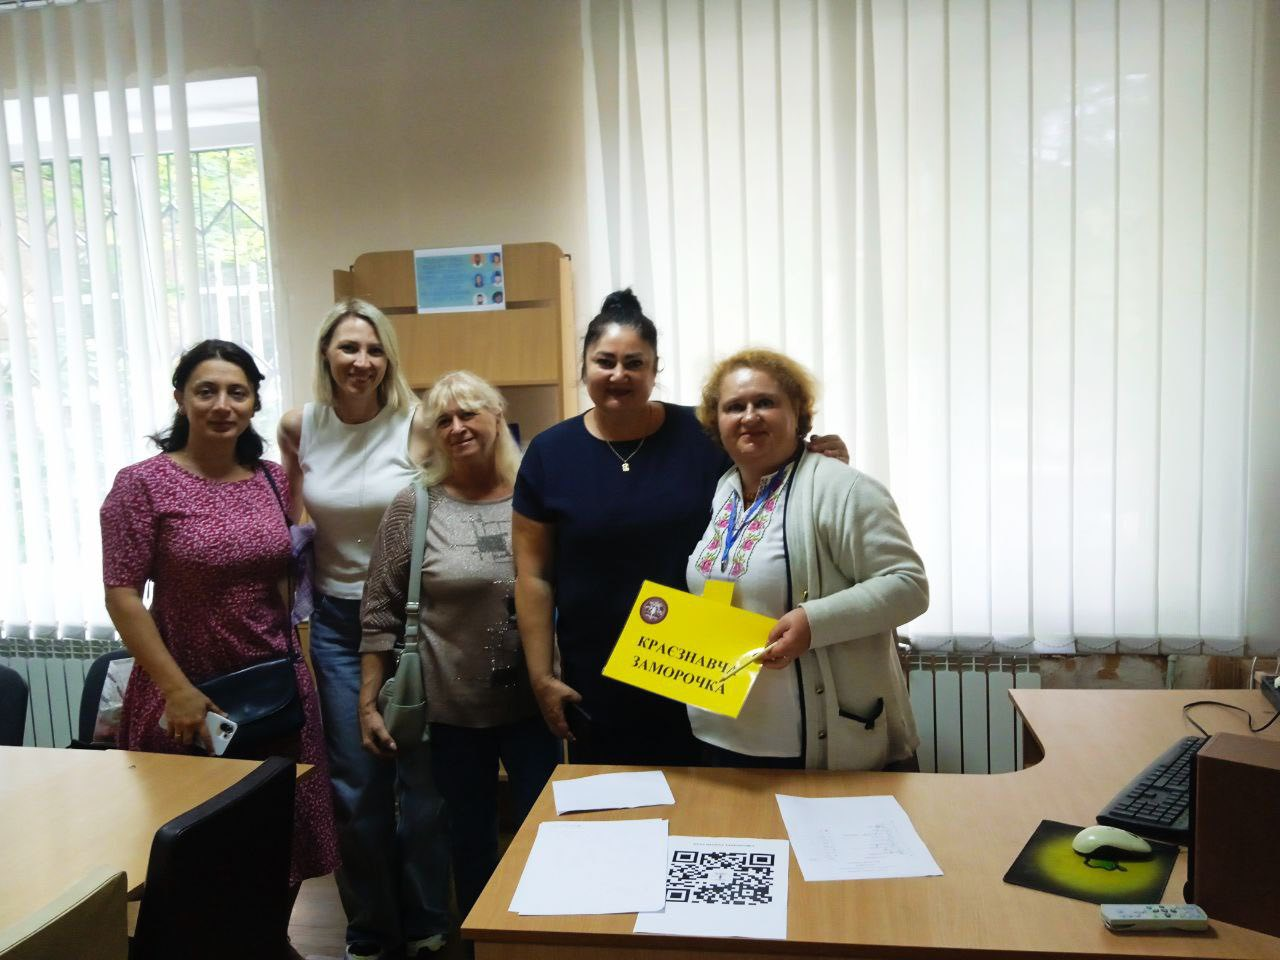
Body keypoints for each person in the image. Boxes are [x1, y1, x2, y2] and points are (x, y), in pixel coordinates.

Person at [512, 289, 848, 766]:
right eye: (605, 361)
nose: (619, 374)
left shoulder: (706, 434)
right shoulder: (550, 453)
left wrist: (820, 458)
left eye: (635, 363)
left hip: (703, 664)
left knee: (715, 798)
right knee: (616, 802)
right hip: (598, 675)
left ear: (655, 370)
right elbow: (533, 576)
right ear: (583, 368)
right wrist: (541, 676)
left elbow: (777, 478)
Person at [100, 339, 339, 941]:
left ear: (254, 401)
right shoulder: (142, 485)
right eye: (206, 391)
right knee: (193, 842)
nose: (222, 404)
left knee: (282, 835)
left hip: (276, 686)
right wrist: (176, 691)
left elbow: (289, 573)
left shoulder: (271, 480)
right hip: (188, 695)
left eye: (237, 391)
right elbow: (122, 594)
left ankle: (267, 942)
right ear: (180, 398)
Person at [277, 300, 448, 960]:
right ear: (326, 352)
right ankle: (371, 930)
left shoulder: (417, 421)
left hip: (413, 621)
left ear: (389, 358)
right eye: (348, 347)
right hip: (338, 624)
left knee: (421, 787)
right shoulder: (301, 425)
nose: (361, 361)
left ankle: (428, 922)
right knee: (356, 786)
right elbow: (289, 521)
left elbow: (450, 507)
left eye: (374, 349)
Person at [359, 371, 558, 924]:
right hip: (452, 713)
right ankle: (481, 941)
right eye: (443, 419)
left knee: (543, 833)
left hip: (535, 704)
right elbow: (378, 611)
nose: (457, 427)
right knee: (470, 843)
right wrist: (368, 702)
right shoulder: (415, 505)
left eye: (468, 413)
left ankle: (539, 936)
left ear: (497, 416)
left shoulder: (538, 496)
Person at [686, 349, 928, 770]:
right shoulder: (725, 488)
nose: (749, 416)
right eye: (734, 407)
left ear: (797, 413)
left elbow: (908, 585)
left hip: (810, 748)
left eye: (765, 402)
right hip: (723, 736)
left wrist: (812, 623)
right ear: (716, 421)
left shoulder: (843, 489)